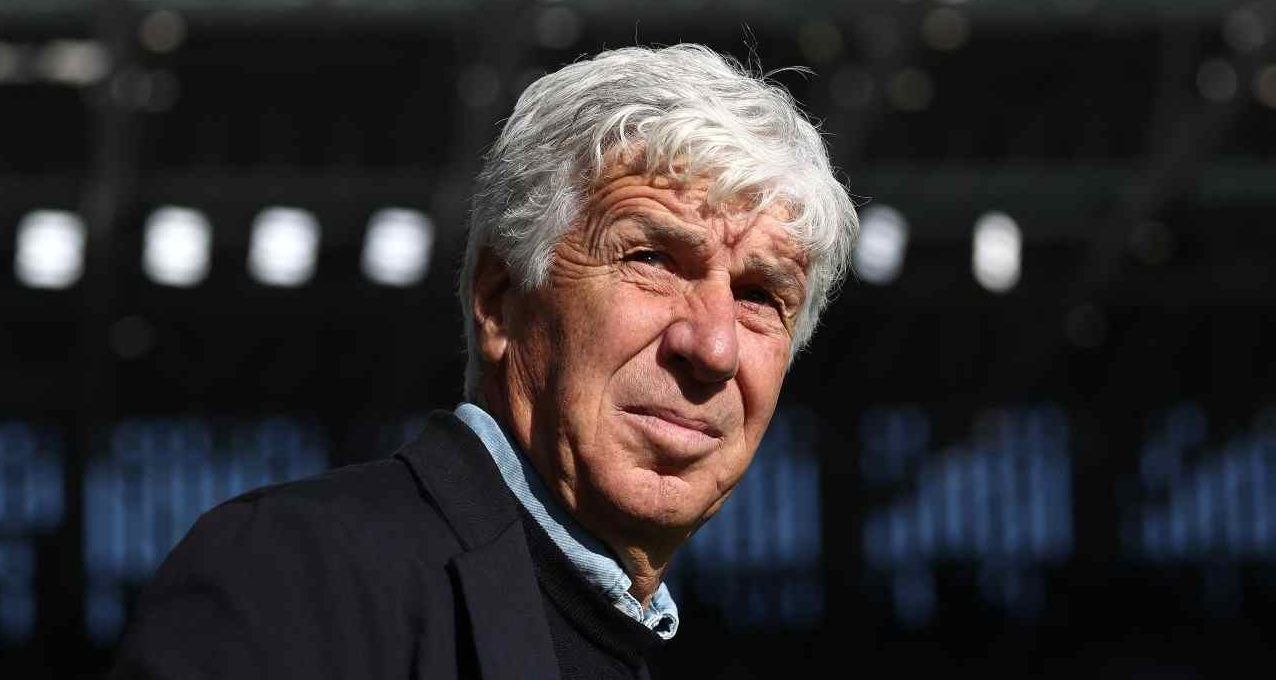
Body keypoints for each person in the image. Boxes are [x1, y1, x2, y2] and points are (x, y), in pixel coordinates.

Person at [109, 43, 857, 679]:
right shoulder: (291, 577)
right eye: (651, 258)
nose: (715, 347)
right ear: (499, 302)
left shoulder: (622, 641)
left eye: (760, 296)